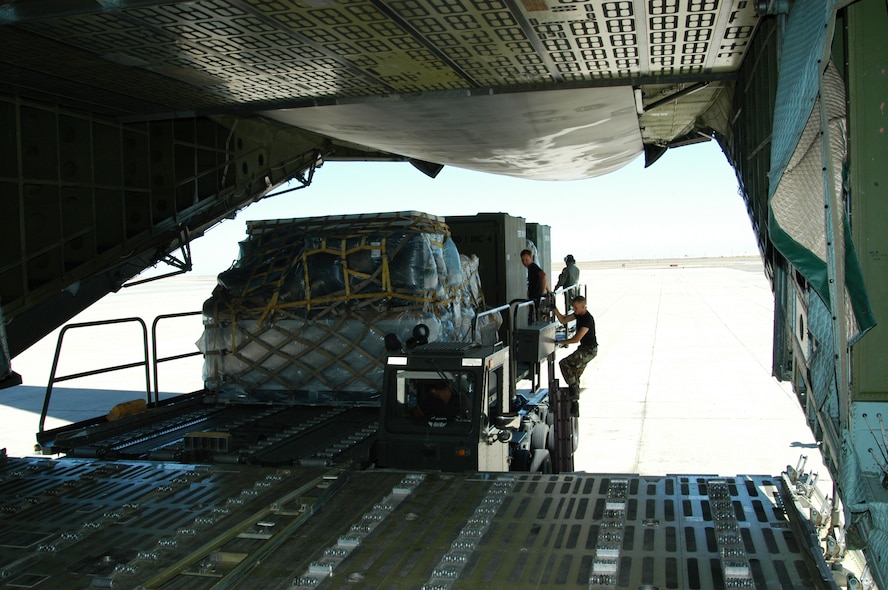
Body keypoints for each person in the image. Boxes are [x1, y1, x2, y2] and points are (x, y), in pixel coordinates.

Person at [553, 295, 598, 400]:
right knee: (574, 375)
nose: (574, 310)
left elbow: (576, 339)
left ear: (583, 307)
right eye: (573, 307)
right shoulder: (578, 315)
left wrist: (559, 341)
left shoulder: (587, 319)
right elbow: (563, 320)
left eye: (576, 308)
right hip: (583, 348)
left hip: (589, 350)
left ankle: (573, 389)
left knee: (564, 363)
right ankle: (574, 404)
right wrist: (554, 308)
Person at [520, 249, 548, 320]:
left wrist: (542, 292)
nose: (525, 262)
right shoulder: (530, 268)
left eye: (527, 260)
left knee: (534, 319)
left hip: (536, 297)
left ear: (531, 258)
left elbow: (543, 276)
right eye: (523, 260)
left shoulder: (533, 267)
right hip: (534, 298)